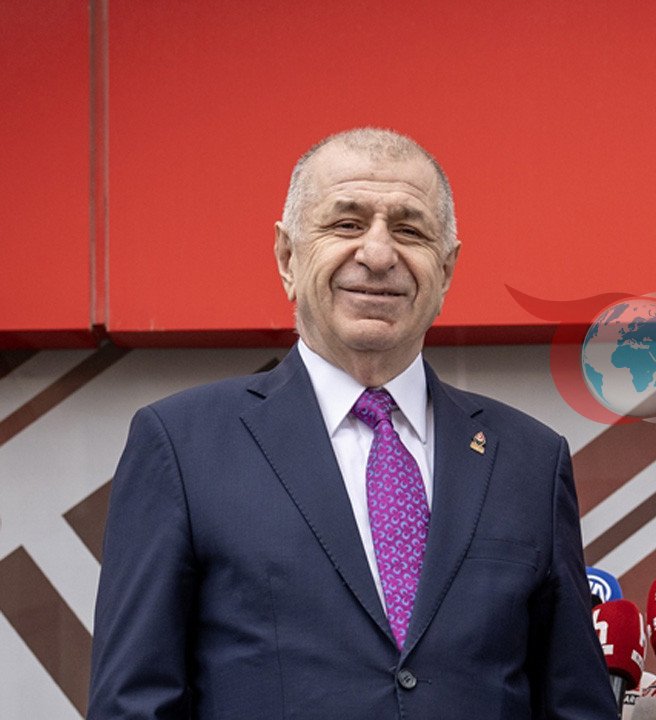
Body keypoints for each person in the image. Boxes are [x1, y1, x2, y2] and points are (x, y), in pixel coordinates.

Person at [89, 128, 617, 719]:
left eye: (410, 231)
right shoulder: (182, 446)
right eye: (346, 224)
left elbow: (575, 705)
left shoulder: (529, 459)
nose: (378, 254)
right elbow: (133, 704)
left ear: (446, 270)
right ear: (287, 257)